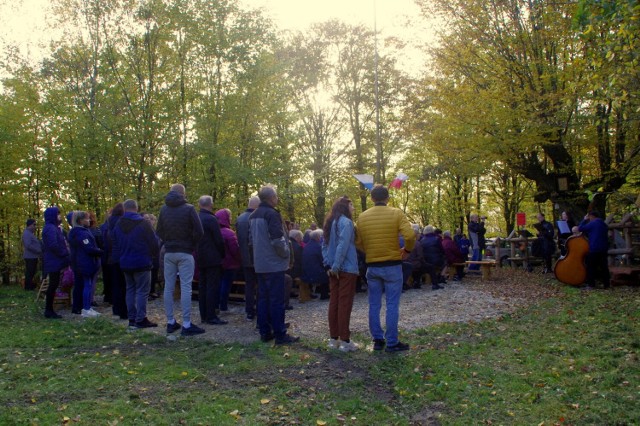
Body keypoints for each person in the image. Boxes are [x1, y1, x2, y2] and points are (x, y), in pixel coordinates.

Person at [355, 184, 415, 352]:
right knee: (392, 304)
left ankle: (377, 340)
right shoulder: (396, 213)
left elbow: (357, 241)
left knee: (374, 304)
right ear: (387, 198)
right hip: (392, 265)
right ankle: (392, 342)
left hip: (372, 266)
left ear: (372, 198)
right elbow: (409, 235)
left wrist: (369, 251)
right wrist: (407, 250)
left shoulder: (362, 217)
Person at [249, 184, 299, 345]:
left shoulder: (254, 215)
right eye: (276, 196)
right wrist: (286, 253)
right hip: (274, 264)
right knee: (277, 300)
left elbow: (250, 241)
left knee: (262, 299)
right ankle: (280, 334)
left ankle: (265, 332)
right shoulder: (271, 214)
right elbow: (277, 239)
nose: (277, 199)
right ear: (271, 198)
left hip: (260, 263)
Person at [156, 183, 205, 336]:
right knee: (186, 288)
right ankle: (186, 323)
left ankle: (170, 322)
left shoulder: (163, 209)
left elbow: (159, 231)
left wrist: (169, 242)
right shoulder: (189, 209)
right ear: (183, 193)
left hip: (169, 252)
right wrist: (191, 244)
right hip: (185, 253)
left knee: (168, 287)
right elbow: (200, 231)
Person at [113, 199, 159, 329]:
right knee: (142, 291)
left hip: (125, 261)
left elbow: (115, 242)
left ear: (124, 209)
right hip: (142, 261)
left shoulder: (118, 224)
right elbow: (154, 242)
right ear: (136, 208)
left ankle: (132, 318)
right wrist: (153, 255)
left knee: (130, 289)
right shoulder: (143, 223)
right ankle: (141, 318)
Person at [322, 196, 359, 352]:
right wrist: (336, 266)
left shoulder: (330, 223)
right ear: (345, 206)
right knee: (344, 304)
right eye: (351, 205)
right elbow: (343, 245)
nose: (353, 208)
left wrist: (329, 264)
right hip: (346, 268)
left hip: (333, 268)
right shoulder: (346, 222)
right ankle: (345, 341)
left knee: (334, 303)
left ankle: (333, 339)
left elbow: (324, 245)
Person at [195, 196, 227, 325]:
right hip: (213, 257)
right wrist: (222, 254)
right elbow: (219, 240)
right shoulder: (212, 219)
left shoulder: (196, 218)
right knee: (212, 287)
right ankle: (211, 315)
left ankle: (203, 315)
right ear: (211, 204)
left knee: (202, 286)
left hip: (200, 256)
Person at [68, 211, 104, 318]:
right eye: (87, 219)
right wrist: (100, 252)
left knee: (82, 285)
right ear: (81, 220)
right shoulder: (81, 233)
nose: (89, 220)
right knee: (87, 285)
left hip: (80, 262)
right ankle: (86, 308)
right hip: (85, 263)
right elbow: (88, 248)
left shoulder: (78, 232)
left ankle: (81, 307)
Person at [41, 206, 70, 319]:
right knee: (53, 285)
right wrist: (64, 252)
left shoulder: (53, 227)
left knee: (54, 284)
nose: (60, 216)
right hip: (54, 260)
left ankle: (49, 309)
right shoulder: (50, 228)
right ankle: (49, 310)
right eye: (58, 214)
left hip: (55, 260)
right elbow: (53, 245)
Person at [236, 196, 260, 320]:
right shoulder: (257, 218)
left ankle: (249, 310)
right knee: (260, 285)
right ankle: (260, 310)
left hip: (245, 257)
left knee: (249, 285)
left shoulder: (239, 218)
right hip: (257, 257)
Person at [215, 208, 241, 312]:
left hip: (217, 263)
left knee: (218, 284)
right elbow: (235, 250)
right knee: (226, 285)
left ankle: (216, 305)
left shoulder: (215, 231)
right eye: (229, 216)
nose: (231, 218)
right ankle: (223, 306)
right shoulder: (230, 233)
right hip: (230, 264)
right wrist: (240, 259)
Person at [578, 210, 610, 290]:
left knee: (591, 267)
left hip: (594, 248)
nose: (589, 219)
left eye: (589, 217)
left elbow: (580, 228)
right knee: (604, 267)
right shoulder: (603, 224)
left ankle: (591, 285)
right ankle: (607, 284)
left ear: (592, 216)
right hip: (604, 248)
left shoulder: (593, 223)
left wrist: (584, 220)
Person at [301, 230, 329, 300]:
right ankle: (324, 295)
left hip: (305, 271)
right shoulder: (318, 246)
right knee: (327, 272)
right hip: (313, 272)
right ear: (317, 237)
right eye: (320, 236)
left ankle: (317, 291)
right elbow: (322, 260)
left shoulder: (307, 246)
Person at [143, 213, 162, 300]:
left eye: (153, 220)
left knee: (154, 274)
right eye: (151, 219)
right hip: (151, 255)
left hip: (156, 255)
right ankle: (149, 292)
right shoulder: (147, 230)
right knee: (150, 274)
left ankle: (152, 291)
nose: (152, 221)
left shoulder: (154, 230)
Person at [420, 225, 445, 290]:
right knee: (446, 262)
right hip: (436, 260)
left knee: (430, 266)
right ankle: (441, 277)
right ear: (432, 231)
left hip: (425, 260)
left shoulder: (422, 240)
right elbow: (442, 249)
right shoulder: (437, 238)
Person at [22, 218, 42, 290]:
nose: (35, 226)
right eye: (34, 225)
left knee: (32, 272)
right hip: (30, 256)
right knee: (30, 272)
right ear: (29, 225)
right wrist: (38, 251)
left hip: (33, 256)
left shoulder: (30, 234)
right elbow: (28, 245)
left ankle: (30, 286)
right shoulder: (27, 233)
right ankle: (28, 287)